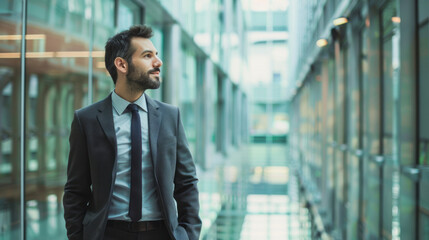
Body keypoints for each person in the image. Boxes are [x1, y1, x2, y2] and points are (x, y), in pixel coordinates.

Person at [63, 25, 201, 240]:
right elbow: (75, 190)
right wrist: (77, 236)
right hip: (107, 233)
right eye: (147, 56)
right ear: (122, 64)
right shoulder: (87, 120)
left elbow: (186, 183)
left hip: (161, 234)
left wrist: (189, 234)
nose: (158, 62)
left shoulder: (170, 116)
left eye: (156, 55)